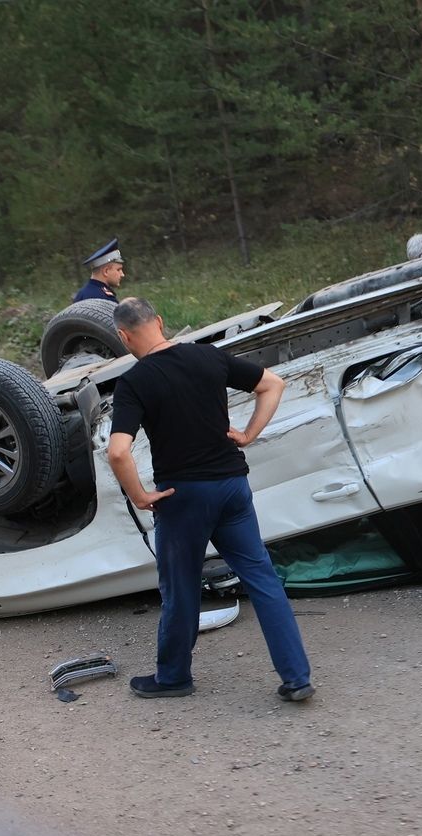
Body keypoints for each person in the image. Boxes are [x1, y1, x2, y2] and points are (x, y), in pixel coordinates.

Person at [106, 296, 315, 702]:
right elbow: (273, 383)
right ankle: (297, 677)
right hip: (233, 487)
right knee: (263, 579)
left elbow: (117, 451)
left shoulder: (135, 382)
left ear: (123, 335)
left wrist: (140, 496)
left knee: (181, 588)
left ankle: (173, 678)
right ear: (160, 321)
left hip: (183, 497)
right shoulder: (208, 357)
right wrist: (249, 434)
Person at [73, 238, 125, 303]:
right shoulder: (105, 299)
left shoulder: (81, 294)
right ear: (106, 271)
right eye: (118, 270)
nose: (122, 274)